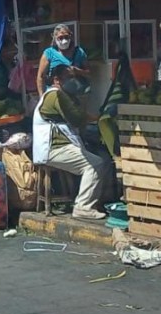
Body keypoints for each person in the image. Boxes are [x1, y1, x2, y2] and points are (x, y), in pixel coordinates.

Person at [32, 65, 109, 220]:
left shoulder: (61, 95)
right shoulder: (57, 96)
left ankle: (90, 201)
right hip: (53, 149)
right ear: (56, 80)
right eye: (69, 77)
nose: (73, 81)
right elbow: (77, 118)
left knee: (100, 159)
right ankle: (83, 207)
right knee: (95, 164)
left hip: (59, 146)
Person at [36, 24, 88, 97]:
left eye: (66, 37)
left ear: (70, 36)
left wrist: (77, 71)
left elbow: (89, 73)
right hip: (56, 95)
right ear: (55, 38)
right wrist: (42, 97)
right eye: (60, 38)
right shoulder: (49, 53)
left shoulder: (79, 52)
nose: (64, 40)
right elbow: (40, 77)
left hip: (75, 95)